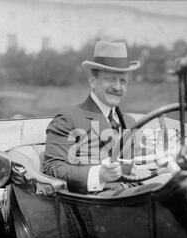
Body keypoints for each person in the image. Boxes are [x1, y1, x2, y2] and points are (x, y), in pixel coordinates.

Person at [43, 41, 146, 194]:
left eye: (123, 81)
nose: (117, 87)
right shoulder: (68, 119)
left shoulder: (130, 123)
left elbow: (146, 161)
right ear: (93, 81)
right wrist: (98, 174)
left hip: (136, 197)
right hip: (96, 206)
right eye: (110, 79)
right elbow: (53, 167)